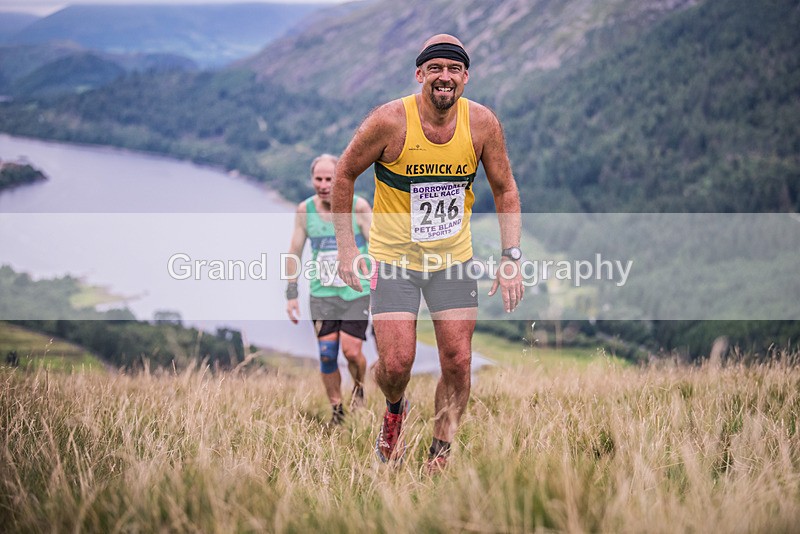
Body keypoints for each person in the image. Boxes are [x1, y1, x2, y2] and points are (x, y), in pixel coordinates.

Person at [332, 34, 524, 472]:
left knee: (457, 360)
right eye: (435, 68)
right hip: (394, 259)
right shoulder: (389, 121)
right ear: (420, 75)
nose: (444, 77)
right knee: (397, 364)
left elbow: (505, 188)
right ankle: (394, 411)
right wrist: (347, 248)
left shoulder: (482, 125)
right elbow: (344, 173)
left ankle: (440, 453)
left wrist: (511, 257)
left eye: (453, 69)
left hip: (451, 260)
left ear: (465, 78)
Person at [285, 153, 372, 426]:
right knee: (326, 354)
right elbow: (294, 252)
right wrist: (291, 294)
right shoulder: (305, 211)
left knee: (350, 351)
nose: (323, 184)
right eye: (318, 179)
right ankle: (337, 412)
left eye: (329, 179)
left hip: (356, 291)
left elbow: (379, 247)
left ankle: (359, 388)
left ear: (340, 179)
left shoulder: (358, 208)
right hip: (322, 293)